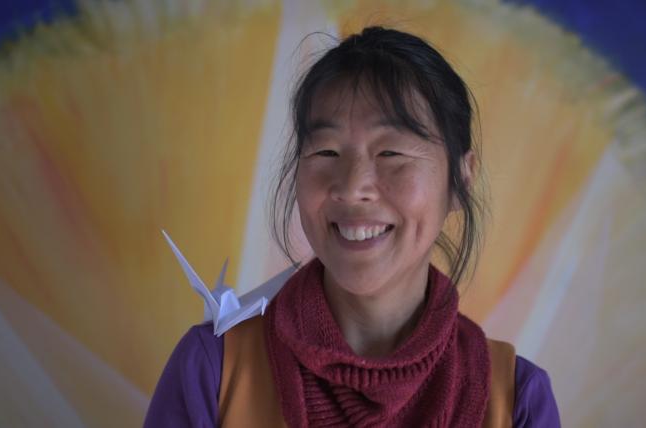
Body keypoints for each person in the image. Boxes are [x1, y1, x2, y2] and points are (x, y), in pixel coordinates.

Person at [144, 26, 560, 427]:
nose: (352, 187)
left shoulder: (515, 400)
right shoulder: (214, 371)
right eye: (326, 151)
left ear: (459, 179)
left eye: (391, 152)